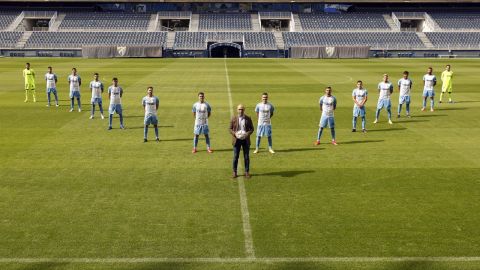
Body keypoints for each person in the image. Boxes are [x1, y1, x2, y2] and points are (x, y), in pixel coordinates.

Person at [229, 104, 254, 179]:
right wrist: (234, 134)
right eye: (239, 109)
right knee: (235, 156)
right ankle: (234, 172)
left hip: (245, 140)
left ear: (244, 110)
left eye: (242, 109)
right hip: (237, 140)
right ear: (237, 110)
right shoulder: (233, 118)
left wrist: (247, 134)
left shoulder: (248, 118)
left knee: (246, 157)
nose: (241, 111)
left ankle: (247, 172)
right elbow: (230, 129)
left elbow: (252, 129)